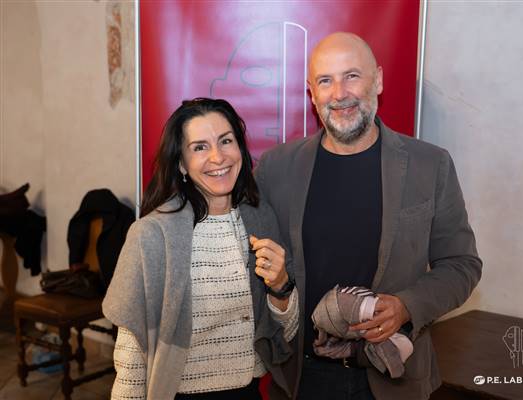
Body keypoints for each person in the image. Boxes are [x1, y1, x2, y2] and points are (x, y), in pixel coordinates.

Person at [255, 32, 483, 400]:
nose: (339, 93)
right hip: (300, 379)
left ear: (377, 80)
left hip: (394, 380)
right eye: (325, 81)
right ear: (311, 93)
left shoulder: (430, 165)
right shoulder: (275, 168)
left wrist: (406, 306)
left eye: (351, 76)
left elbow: (462, 265)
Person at [103, 98, 299, 400]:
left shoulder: (261, 219)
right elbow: (130, 351)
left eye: (226, 141)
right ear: (181, 163)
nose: (218, 157)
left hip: (248, 392)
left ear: (240, 148)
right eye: (200, 147)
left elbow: (286, 332)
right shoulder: (153, 235)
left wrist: (281, 287)